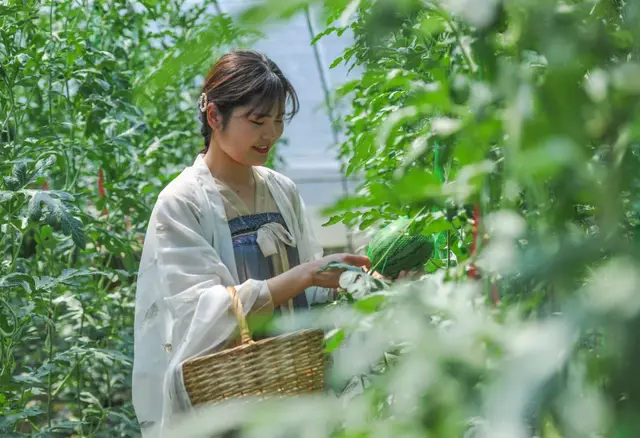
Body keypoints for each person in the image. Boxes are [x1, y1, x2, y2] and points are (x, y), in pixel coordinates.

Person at [131, 49, 371, 436]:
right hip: (227, 401)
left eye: (277, 121)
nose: (271, 134)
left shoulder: (282, 190)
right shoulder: (182, 202)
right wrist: (304, 275)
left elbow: (309, 301)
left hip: (295, 386)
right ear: (214, 117)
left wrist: (357, 277)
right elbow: (197, 315)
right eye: (258, 120)